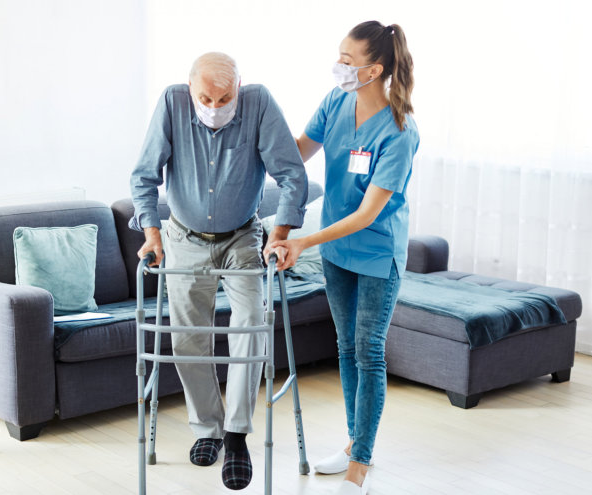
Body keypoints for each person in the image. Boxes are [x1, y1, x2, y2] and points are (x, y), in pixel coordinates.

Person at [129, 52, 308, 490]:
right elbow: (143, 176)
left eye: (225, 96)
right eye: (206, 97)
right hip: (183, 237)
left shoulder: (258, 103)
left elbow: (292, 174)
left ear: (239, 86)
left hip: (243, 237)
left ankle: (237, 434)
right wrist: (152, 235)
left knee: (251, 325)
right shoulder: (172, 103)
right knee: (188, 336)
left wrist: (278, 235)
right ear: (190, 89)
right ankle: (207, 429)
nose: (215, 104)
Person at [271, 21, 419, 495]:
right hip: (337, 251)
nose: (339, 67)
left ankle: (361, 462)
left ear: (374, 70)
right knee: (347, 348)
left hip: (377, 252)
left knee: (369, 349)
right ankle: (355, 442)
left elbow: (367, 213)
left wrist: (302, 242)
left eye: (348, 61)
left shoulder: (399, 131)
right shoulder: (336, 101)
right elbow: (298, 153)